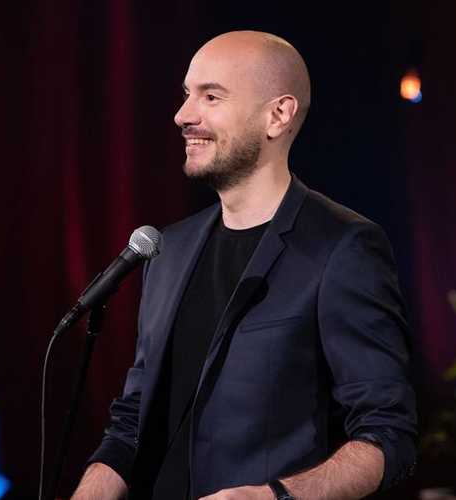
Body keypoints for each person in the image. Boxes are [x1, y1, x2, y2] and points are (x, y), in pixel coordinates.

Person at [70, 30, 416, 500]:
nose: (183, 115)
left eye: (211, 96)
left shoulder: (342, 247)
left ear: (278, 115)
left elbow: (387, 435)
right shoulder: (168, 250)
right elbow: (134, 419)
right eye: (187, 94)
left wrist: (273, 496)